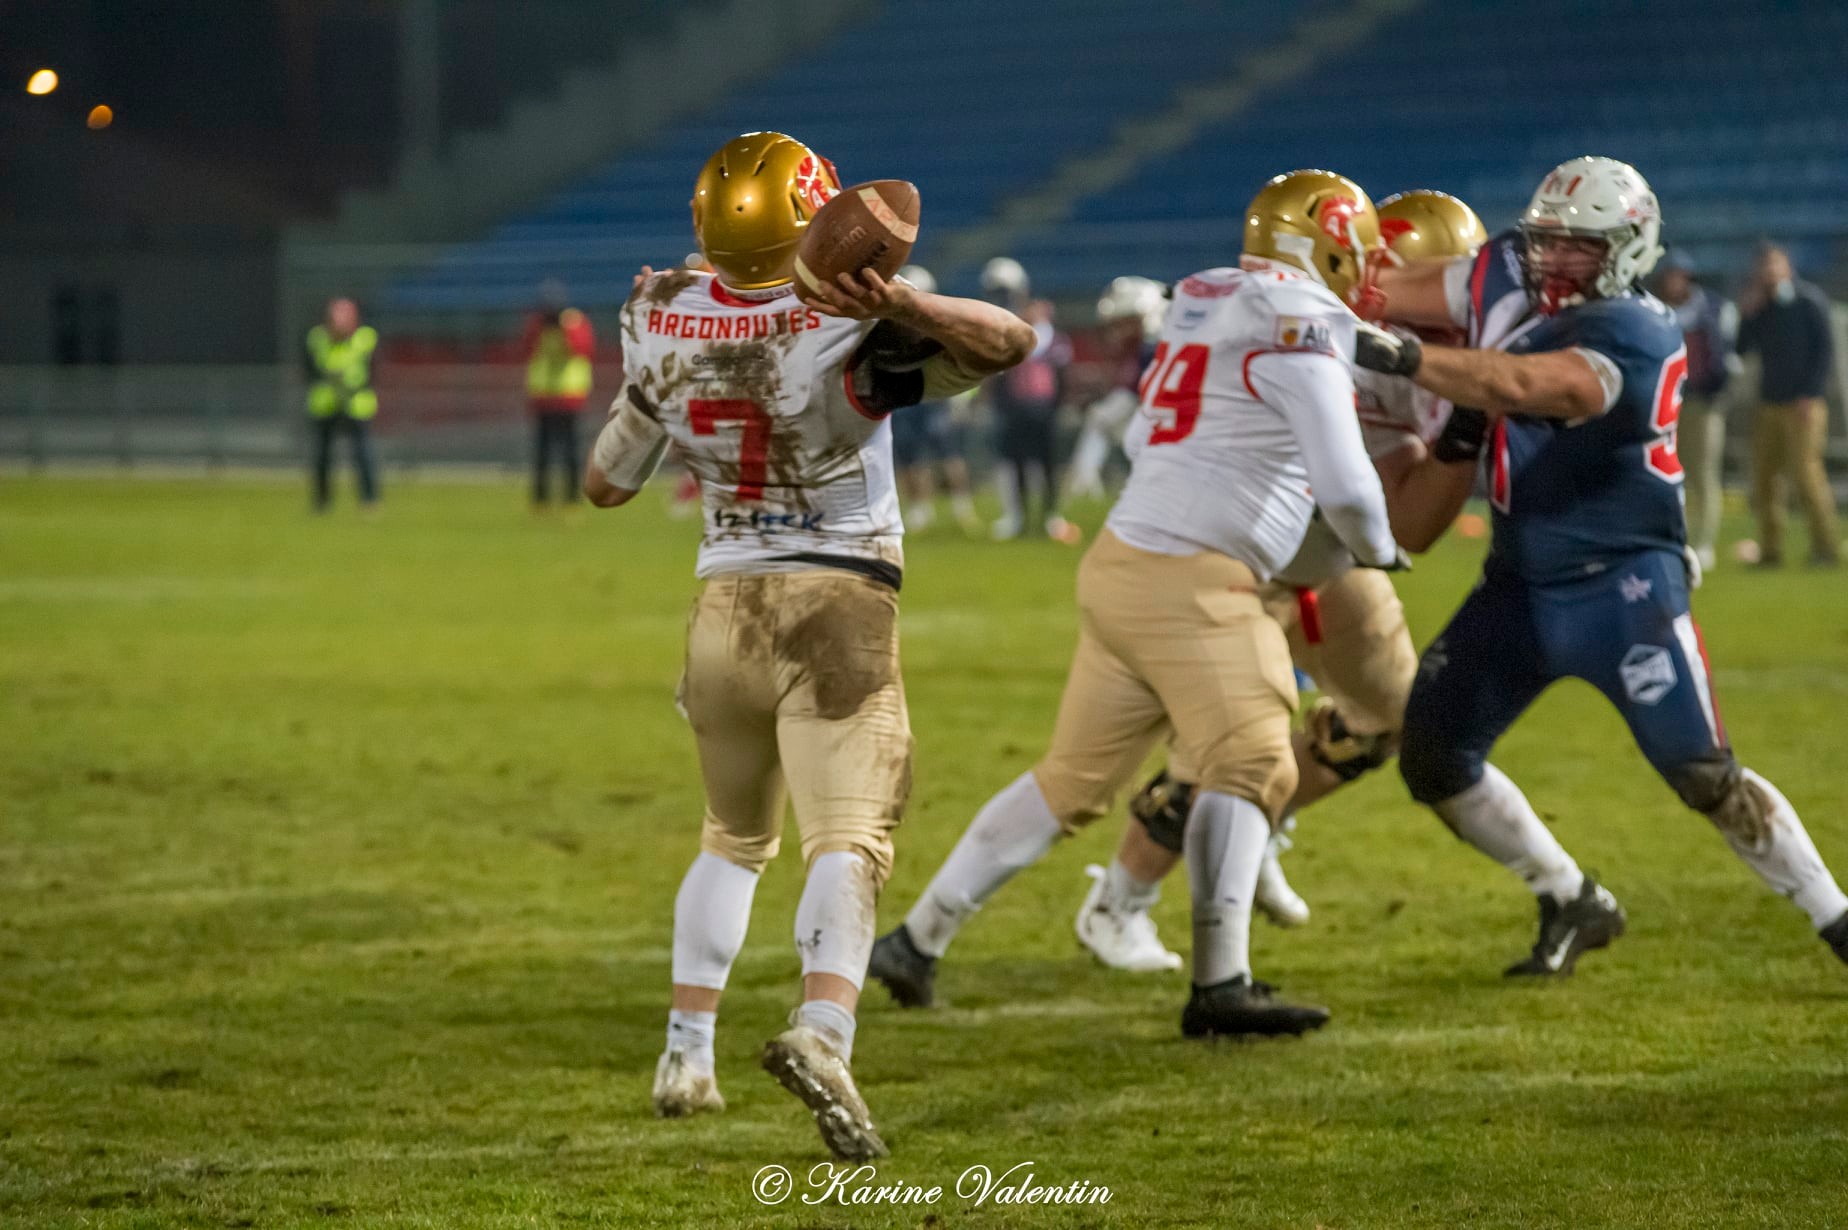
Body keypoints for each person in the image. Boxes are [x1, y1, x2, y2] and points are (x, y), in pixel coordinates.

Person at [582, 130, 1033, 1159]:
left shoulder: (655, 312)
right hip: (836, 604)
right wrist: (904, 302)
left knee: (731, 840)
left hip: (720, 613)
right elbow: (1010, 343)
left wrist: (662, 350)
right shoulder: (847, 323)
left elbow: (605, 484)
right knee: (849, 839)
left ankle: (685, 1056)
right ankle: (824, 1030)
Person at [868, 170, 1401, 1038]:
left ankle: (915, 939)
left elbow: (1178, 419)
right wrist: (1381, 549)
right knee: (1256, 762)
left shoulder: (1207, 296)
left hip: (1125, 559)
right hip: (1193, 576)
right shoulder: (1304, 318)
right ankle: (1221, 983)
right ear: (1329, 250)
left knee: (1070, 781)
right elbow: (1344, 484)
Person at [1358, 156, 1848, 974]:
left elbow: (1524, 382)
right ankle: (1569, 895)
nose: (1552, 260)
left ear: (1628, 249)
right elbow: (1379, 290)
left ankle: (1835, 917)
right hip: (1518, 584)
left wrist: (1400, 356)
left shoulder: (1638, 330)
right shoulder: (1504, 266)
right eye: (1545, 241)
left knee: (1702, 774)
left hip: (1623, 585)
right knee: (1434, 757)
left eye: (1578, 246)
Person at [1071, 190, 1491, 973]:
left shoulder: (1410, 344)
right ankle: (1121, 900)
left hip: (1328, 558)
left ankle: (1257, 827)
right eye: (1442, 277)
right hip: (1241, 549)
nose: (1455, 298)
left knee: (1384, 717)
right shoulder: (1312, 318)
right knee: (1218, 745)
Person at [1737, 244, 1840, 567]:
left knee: (1806, 475)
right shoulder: (1762, 308)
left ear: (1787, 267)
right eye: (1764, 267)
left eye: (1774, 265)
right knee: (1765, 478)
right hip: (1769, 403)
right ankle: (1770, 550)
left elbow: (1824, 351)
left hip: (1803, 404)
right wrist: (1748, 314)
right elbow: (1742, 349)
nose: (1769, 273)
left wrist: (1810, 393)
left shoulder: (1809, 301)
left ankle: (1826, 547)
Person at [979, 257, 1079, 542]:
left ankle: (1050, 516)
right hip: (1014, 407)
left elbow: (1060, 367)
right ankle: (1018, 516)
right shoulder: (1001, 327)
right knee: (1016, 464)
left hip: (1043, 408)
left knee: (1047, 464)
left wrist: (1063, 404)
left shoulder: (1046, 333)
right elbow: (995, 369)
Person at [1653, 253, 1738, 571]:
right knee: (1674, 471)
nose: (1674, 282)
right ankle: (1680, 538)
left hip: (1705, 402)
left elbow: (1726, 354)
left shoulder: (1712, 308)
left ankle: (1704, 542)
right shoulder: (1656, 310)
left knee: (1704, 472)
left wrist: (1719, 389)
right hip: (1669, 402)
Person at [888, 265, 980, 531]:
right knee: (911, 455)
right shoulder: (893, 327)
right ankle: (921, 508)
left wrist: (958, 398)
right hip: (907, 394)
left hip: (934, 396)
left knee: (948, 453)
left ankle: (961, 506)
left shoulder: (941, 325)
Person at [1066, 276, 1166, 500]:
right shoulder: (1141, 349)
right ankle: (1086, 480)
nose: (1120, 331)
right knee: (1109, 425)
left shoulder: (1159, 347)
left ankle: (1087, 480)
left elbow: (1141, 388)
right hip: (1142, 403)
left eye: (1127, 322)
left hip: (1159, 409)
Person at [522, 280, 596, 508]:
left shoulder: (574, 323)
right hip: (543, 396)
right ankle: (540, 499)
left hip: (569, 396)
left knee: (570, 452)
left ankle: (571, 498)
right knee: (542, 453)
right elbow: (527, 348)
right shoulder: (536, 325)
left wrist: (565, 330)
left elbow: (582, 349)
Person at [304, 297, 381, 514]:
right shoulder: (317, 338)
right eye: (336, 315)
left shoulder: (365, 338)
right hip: (326, 403)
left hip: (356, 404)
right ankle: (322, 502)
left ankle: (369, 500)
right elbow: (308, 370)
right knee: (323, 454)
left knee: (362, 453)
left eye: (345, 315)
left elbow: (373, 370)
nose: (340, 320)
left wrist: (350, 382)